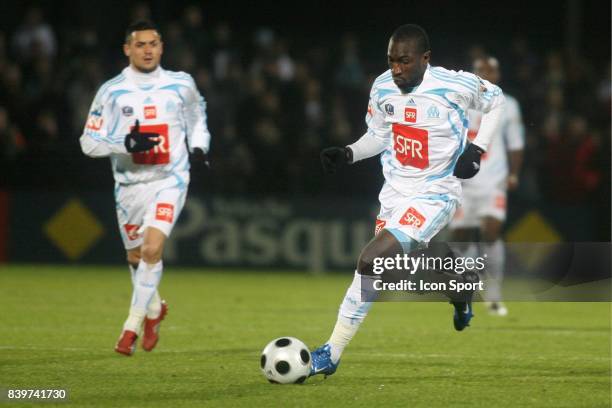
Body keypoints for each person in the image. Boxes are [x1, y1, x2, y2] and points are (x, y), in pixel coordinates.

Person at [312, 24, 505, 377]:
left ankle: (331, 352)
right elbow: (378, 136)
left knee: (370, 260)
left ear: (425, 59)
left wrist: (477, 148)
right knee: (400, 269)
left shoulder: (454, 85)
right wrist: (349, 153)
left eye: (404, 61)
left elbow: (497, 101)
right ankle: (461, 286)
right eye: (391, 61)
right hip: (395, 195)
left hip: (436, 193)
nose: (396, 69)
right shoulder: (383, 86)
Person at [80, 21, 211, 356]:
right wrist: (126, 142)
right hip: (129, 186)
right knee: (136, 257)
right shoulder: (112, 91)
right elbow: (88, 143)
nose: (148, 50)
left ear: (162, 46)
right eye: (140, 45)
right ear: (127, 49)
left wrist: (199, 147)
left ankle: (129, 328)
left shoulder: (181, 84)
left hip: (171, 179)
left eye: (153, 43)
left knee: (152, 250)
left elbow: (198, 117)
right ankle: (154, 311)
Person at [450, 56, 524, 316]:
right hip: (462, 181)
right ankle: (469, 286)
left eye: (491, 70)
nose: (487, 74)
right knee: (461, 236)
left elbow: (515, 143)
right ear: (474, 74)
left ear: (499, 74)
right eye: (482, 70)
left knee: (491, 231)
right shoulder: (459, 101)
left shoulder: (510, 105)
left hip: (494, 180)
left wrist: (514, 173)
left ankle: (493, 293)